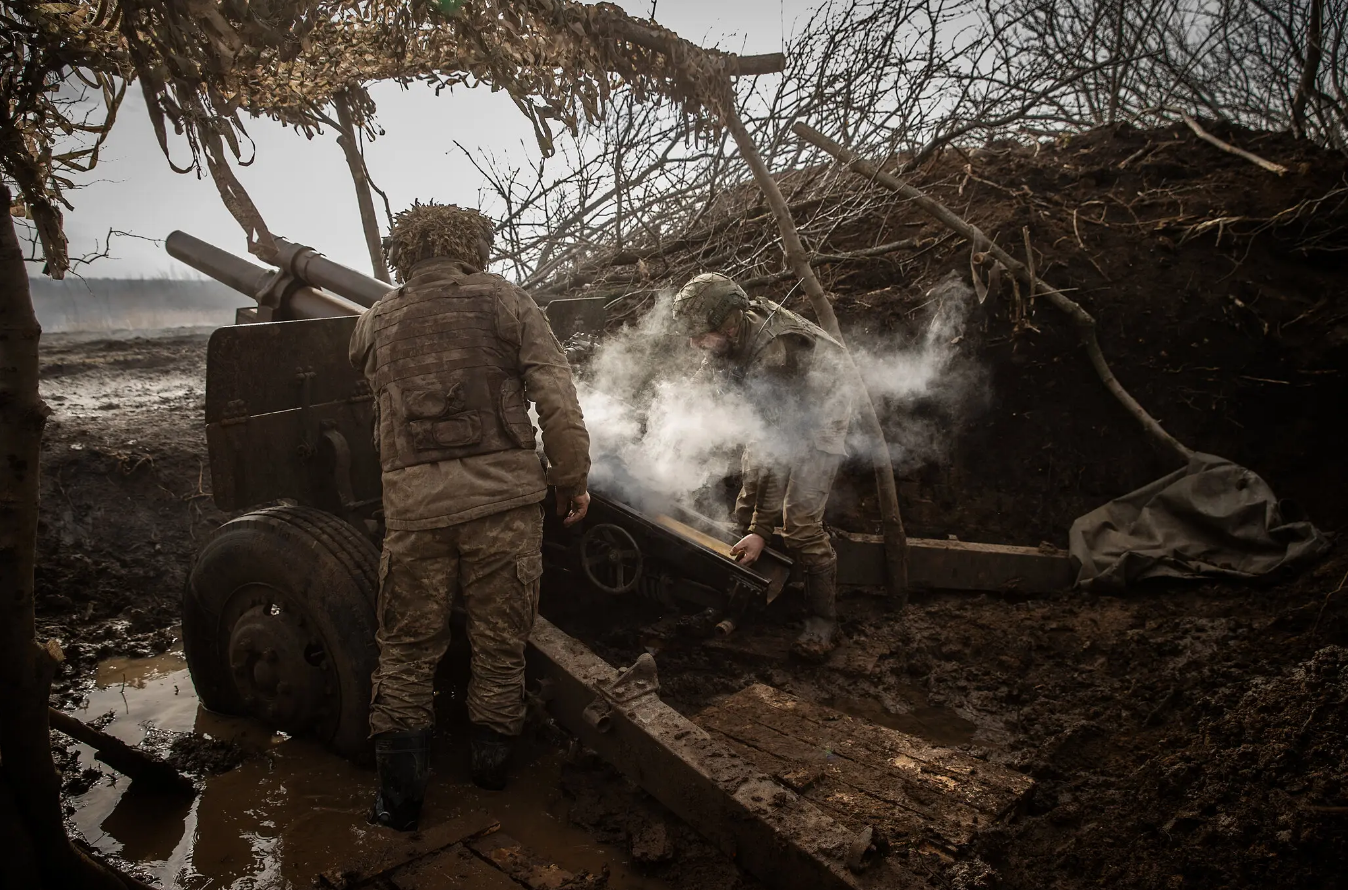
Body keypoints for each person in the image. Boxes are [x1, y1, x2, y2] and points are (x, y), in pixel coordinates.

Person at [349, 202, 591, 830]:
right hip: (504, 504)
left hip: (415, 513)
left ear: (404, 251)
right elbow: (555, 393)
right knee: (500, 640)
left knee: (404, 650)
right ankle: (490, 776)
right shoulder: (507, 302)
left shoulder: (376, 318)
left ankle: (398, 805)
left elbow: (363, 365)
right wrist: (570, 478)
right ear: (474, 245)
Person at [672, 272, 855, 662]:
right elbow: (702, 386)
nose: (693, 343)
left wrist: (761, 530)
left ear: (729, 323)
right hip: (781, 409)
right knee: (745, 503)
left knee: (800, 523)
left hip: (823, 409)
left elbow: (779, 451)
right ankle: (736, 594)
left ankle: (823, 622)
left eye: (700, 334)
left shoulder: (771, 355)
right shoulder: (731, 337)